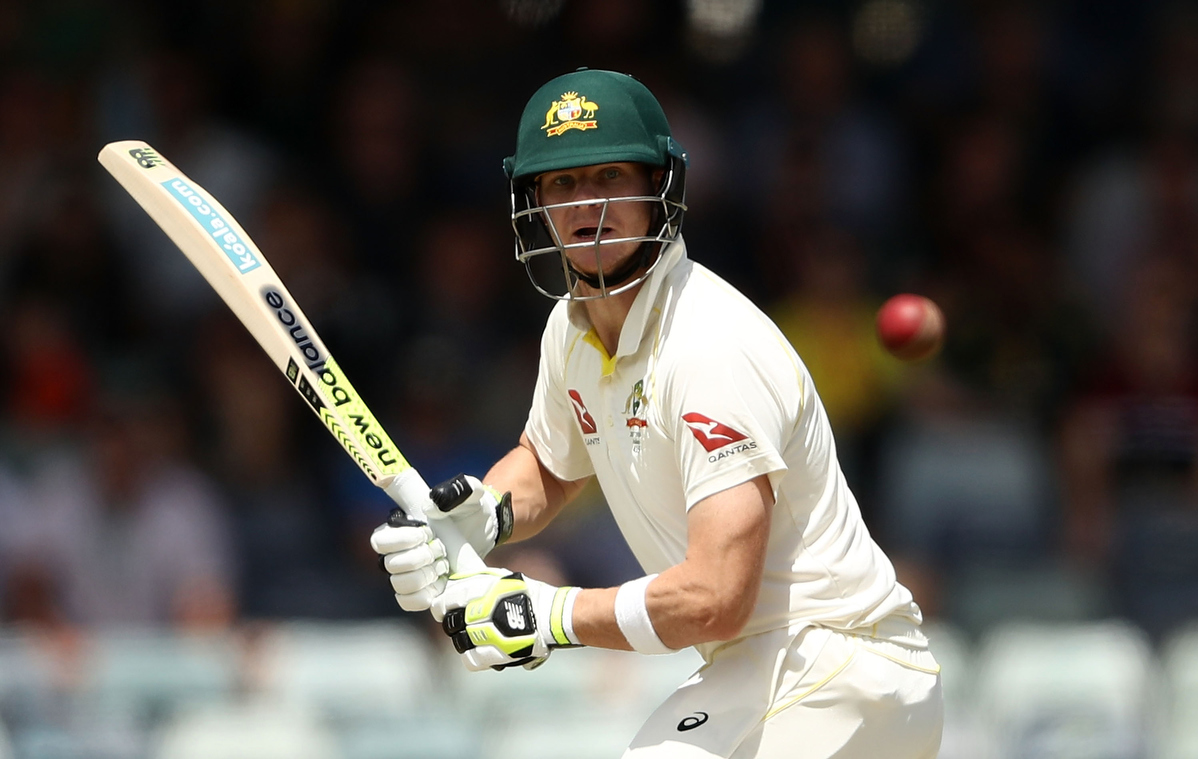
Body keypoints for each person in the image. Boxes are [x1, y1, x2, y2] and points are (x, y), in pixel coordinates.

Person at [371, 69, 943, 759]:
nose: (588, 204)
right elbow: (551, 462)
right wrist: (485, 514)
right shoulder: (571, 330)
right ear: (536, 205)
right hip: (760, 668)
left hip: (841, 663)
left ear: (657, 188)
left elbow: (716, 595)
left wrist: (547, 614)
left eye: (609, 176)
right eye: (563, 183)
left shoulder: (707, 344)